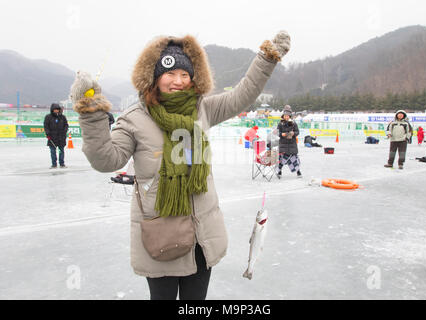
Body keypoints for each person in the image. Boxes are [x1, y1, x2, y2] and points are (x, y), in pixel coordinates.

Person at [69, 31, 290, 300]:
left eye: (185, 75)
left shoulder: (202, 109)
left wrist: (266, 59)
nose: (178, 81)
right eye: (170, 74)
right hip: (161, 239)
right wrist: (91, 113)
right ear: (153, 76)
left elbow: (243, 94)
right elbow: (106, 160)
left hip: (202, 238)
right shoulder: (135, 119)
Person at [276, 105, 301, 178]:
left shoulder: (294, 123)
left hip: (292, 144)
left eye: (288, 116)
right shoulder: (280, 124)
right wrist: (281, 134)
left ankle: (298, 172)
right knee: (282, 159)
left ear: (290, 116)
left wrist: (294, 133)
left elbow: (297, 132)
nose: (286, 117)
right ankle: (279, 171)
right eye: (285, 116)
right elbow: (277, 133)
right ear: (283, 116)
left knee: (294, 159)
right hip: (283, 144)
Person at [43, 103, 68, 169]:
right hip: (52, 138)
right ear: (52, 110)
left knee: (61, 151)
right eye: (55, 109)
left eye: (58, 109)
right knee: (53, 152)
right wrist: (48, 134)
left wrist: (64, 132)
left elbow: (66, 125)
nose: (56, 111)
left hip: (61, 137)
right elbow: (46, 126)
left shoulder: (63, 117)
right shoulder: (48, 117)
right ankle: (54, 164)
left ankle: (62, 164)